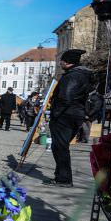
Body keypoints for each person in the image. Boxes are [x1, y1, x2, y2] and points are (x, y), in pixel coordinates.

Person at [45, 49, 93, 186]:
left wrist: (55, 114)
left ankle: (63, 179)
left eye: (62, 60)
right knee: (60, 146)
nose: (60, 62)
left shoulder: (72, 76)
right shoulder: (81, 74)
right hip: (74, 114)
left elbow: (65, 97)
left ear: (66, 62)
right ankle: (61, 176)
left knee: (60, 147)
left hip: (65, 116)